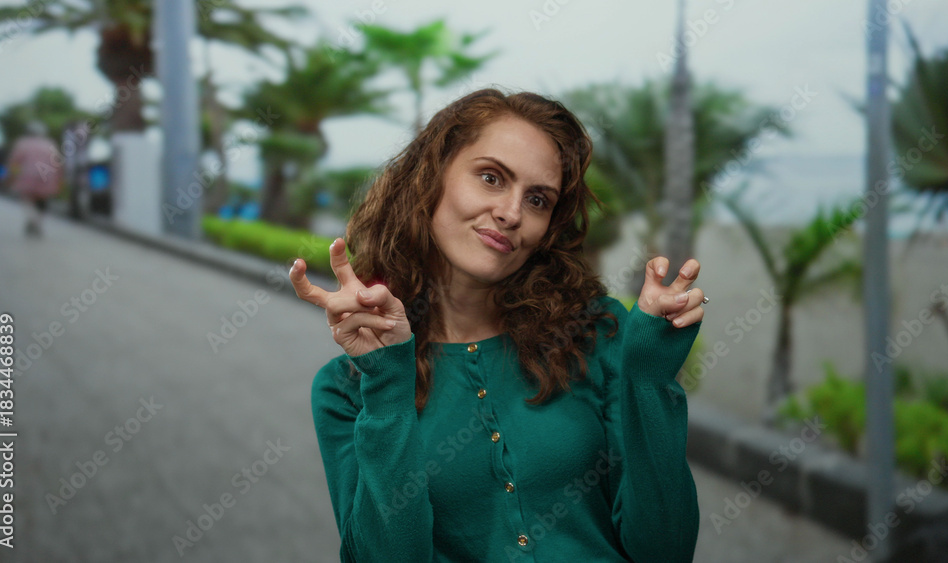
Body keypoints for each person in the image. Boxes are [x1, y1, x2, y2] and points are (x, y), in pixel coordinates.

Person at [290, 89, 708, 562]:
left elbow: (666, 551)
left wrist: (649, 379)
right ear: (431, 178)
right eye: (491, 178)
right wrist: (387, 385)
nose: (511, 213)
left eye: (537, 199)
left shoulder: (597, 331)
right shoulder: (345, 388)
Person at [5, 121, 62, 237]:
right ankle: (37, 221)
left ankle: (33, 219)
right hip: (47, 176)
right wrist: (59, 179)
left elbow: (14, 162)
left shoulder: (22, 144)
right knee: (42, 201)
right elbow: (57, 163)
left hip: (27, 175)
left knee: (27, 198)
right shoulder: (50, 144)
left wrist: (10, 176)